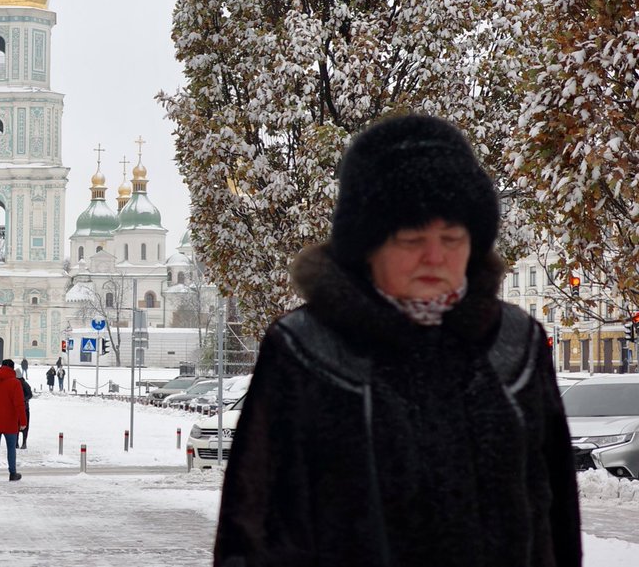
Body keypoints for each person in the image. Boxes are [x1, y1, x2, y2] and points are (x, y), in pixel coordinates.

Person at [214, 115, 581, 567]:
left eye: (452, 237)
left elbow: (557, 512)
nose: (435, 256)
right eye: (412, 238)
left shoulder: (514, 344)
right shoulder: (305, 349)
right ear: (366, 245)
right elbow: (252, 524)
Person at [16, 368, 33, 449]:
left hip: (25, 408)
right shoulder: (16, 383)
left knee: (24, 426)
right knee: (16, 426)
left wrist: (23, 399)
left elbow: (30, 394)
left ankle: (24, 442)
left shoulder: (25, 384)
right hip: (17, 408)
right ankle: (16, 442)